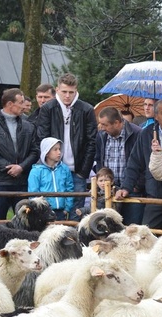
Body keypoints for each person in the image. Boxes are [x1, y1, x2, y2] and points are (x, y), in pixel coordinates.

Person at [36, 72, 97, 219]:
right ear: (57, 90)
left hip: (78, 170)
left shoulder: (86, 109)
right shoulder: (48, 109)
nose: (67, 96)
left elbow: (92, 141)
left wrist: (83, 171)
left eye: (71, 92)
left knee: (77, 215)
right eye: (64, 92)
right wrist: (50, 165)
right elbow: (42, 139)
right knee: (54, 214)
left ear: (76, 91)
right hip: (53, 170)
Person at [117, 99, 162, 229]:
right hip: (154, 193)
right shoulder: (146, 133)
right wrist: (126, 187)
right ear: (156, 116)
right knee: (148, 234)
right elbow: (134, 162)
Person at [0, 88, 40, 220]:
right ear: (9, 104)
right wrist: (7, 166)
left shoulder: (29, 126)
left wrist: (21, 167)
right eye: (20, 102)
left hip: (22, 181)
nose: (24, 105)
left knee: (26, 222)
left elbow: (35, 150)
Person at [95, 106, 144, 224]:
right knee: (108, 229)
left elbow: (144, 163)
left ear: (116, 123)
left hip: (132, 190)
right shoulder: (101, 135)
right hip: (108, 190)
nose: (101, 127)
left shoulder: (137, 133)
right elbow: (99, 159)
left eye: (104, 124)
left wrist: (136, 186)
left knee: (131, 228)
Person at [28, 137, 74, 220]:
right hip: (43, 212)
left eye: (59, 149)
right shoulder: (36, 171)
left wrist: (67, 208)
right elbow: (33, 193)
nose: (59, 152)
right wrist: (40, 209)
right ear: (46, 152)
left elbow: (69, 188)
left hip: (61, 211)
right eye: (55, 149)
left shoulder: (64, 169)